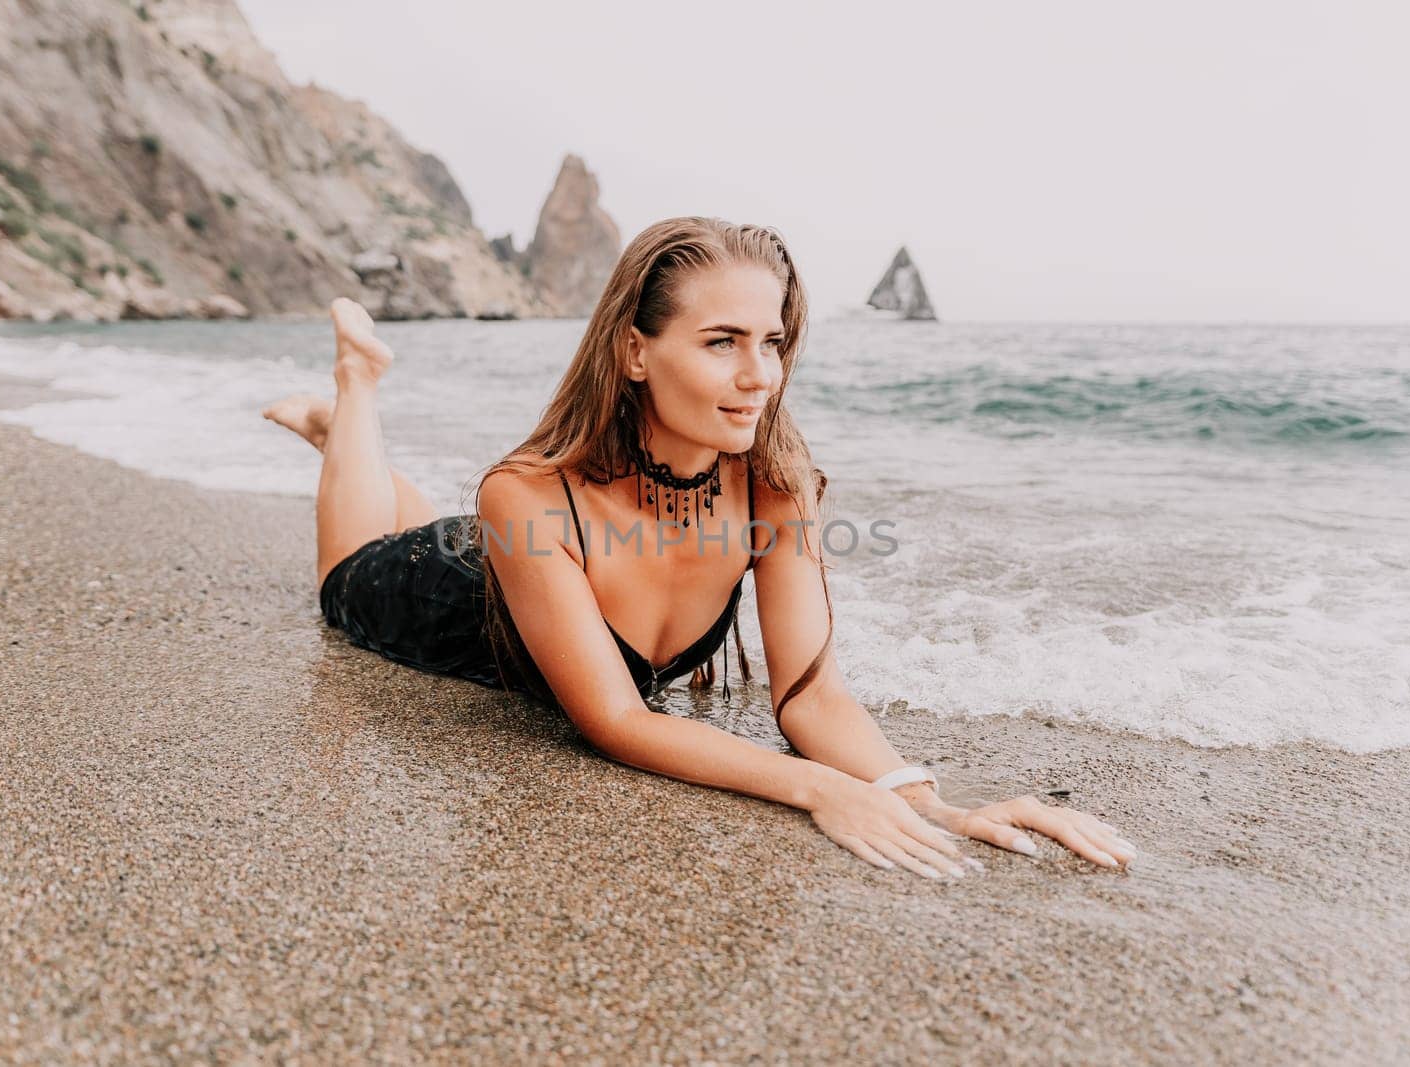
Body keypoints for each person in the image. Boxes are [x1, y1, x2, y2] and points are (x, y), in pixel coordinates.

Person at [265, 217, 1137, 880]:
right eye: (722, 341)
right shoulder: (525, 492)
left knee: (429, 519)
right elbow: (613, 720)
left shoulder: (774, 483)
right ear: (635, 351)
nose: (759, 374)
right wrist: (816, 788)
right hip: (439, 589)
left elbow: (812, 695)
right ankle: (352, 394)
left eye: (772, 342)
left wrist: (927, 801)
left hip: (520, 562)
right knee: (347, 568)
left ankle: (351, 437)